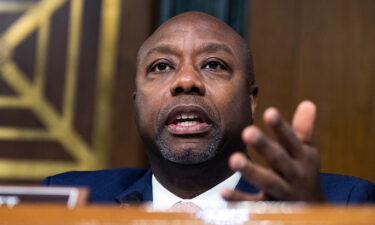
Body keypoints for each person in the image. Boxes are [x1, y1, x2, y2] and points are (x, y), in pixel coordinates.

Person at [43, 12, 375, 207]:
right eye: (161, 66)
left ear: (251, 100)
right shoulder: (69, 199)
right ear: (136, 102)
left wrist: (313, 220)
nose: (186, 80)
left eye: (213, 64)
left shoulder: (343, 201)